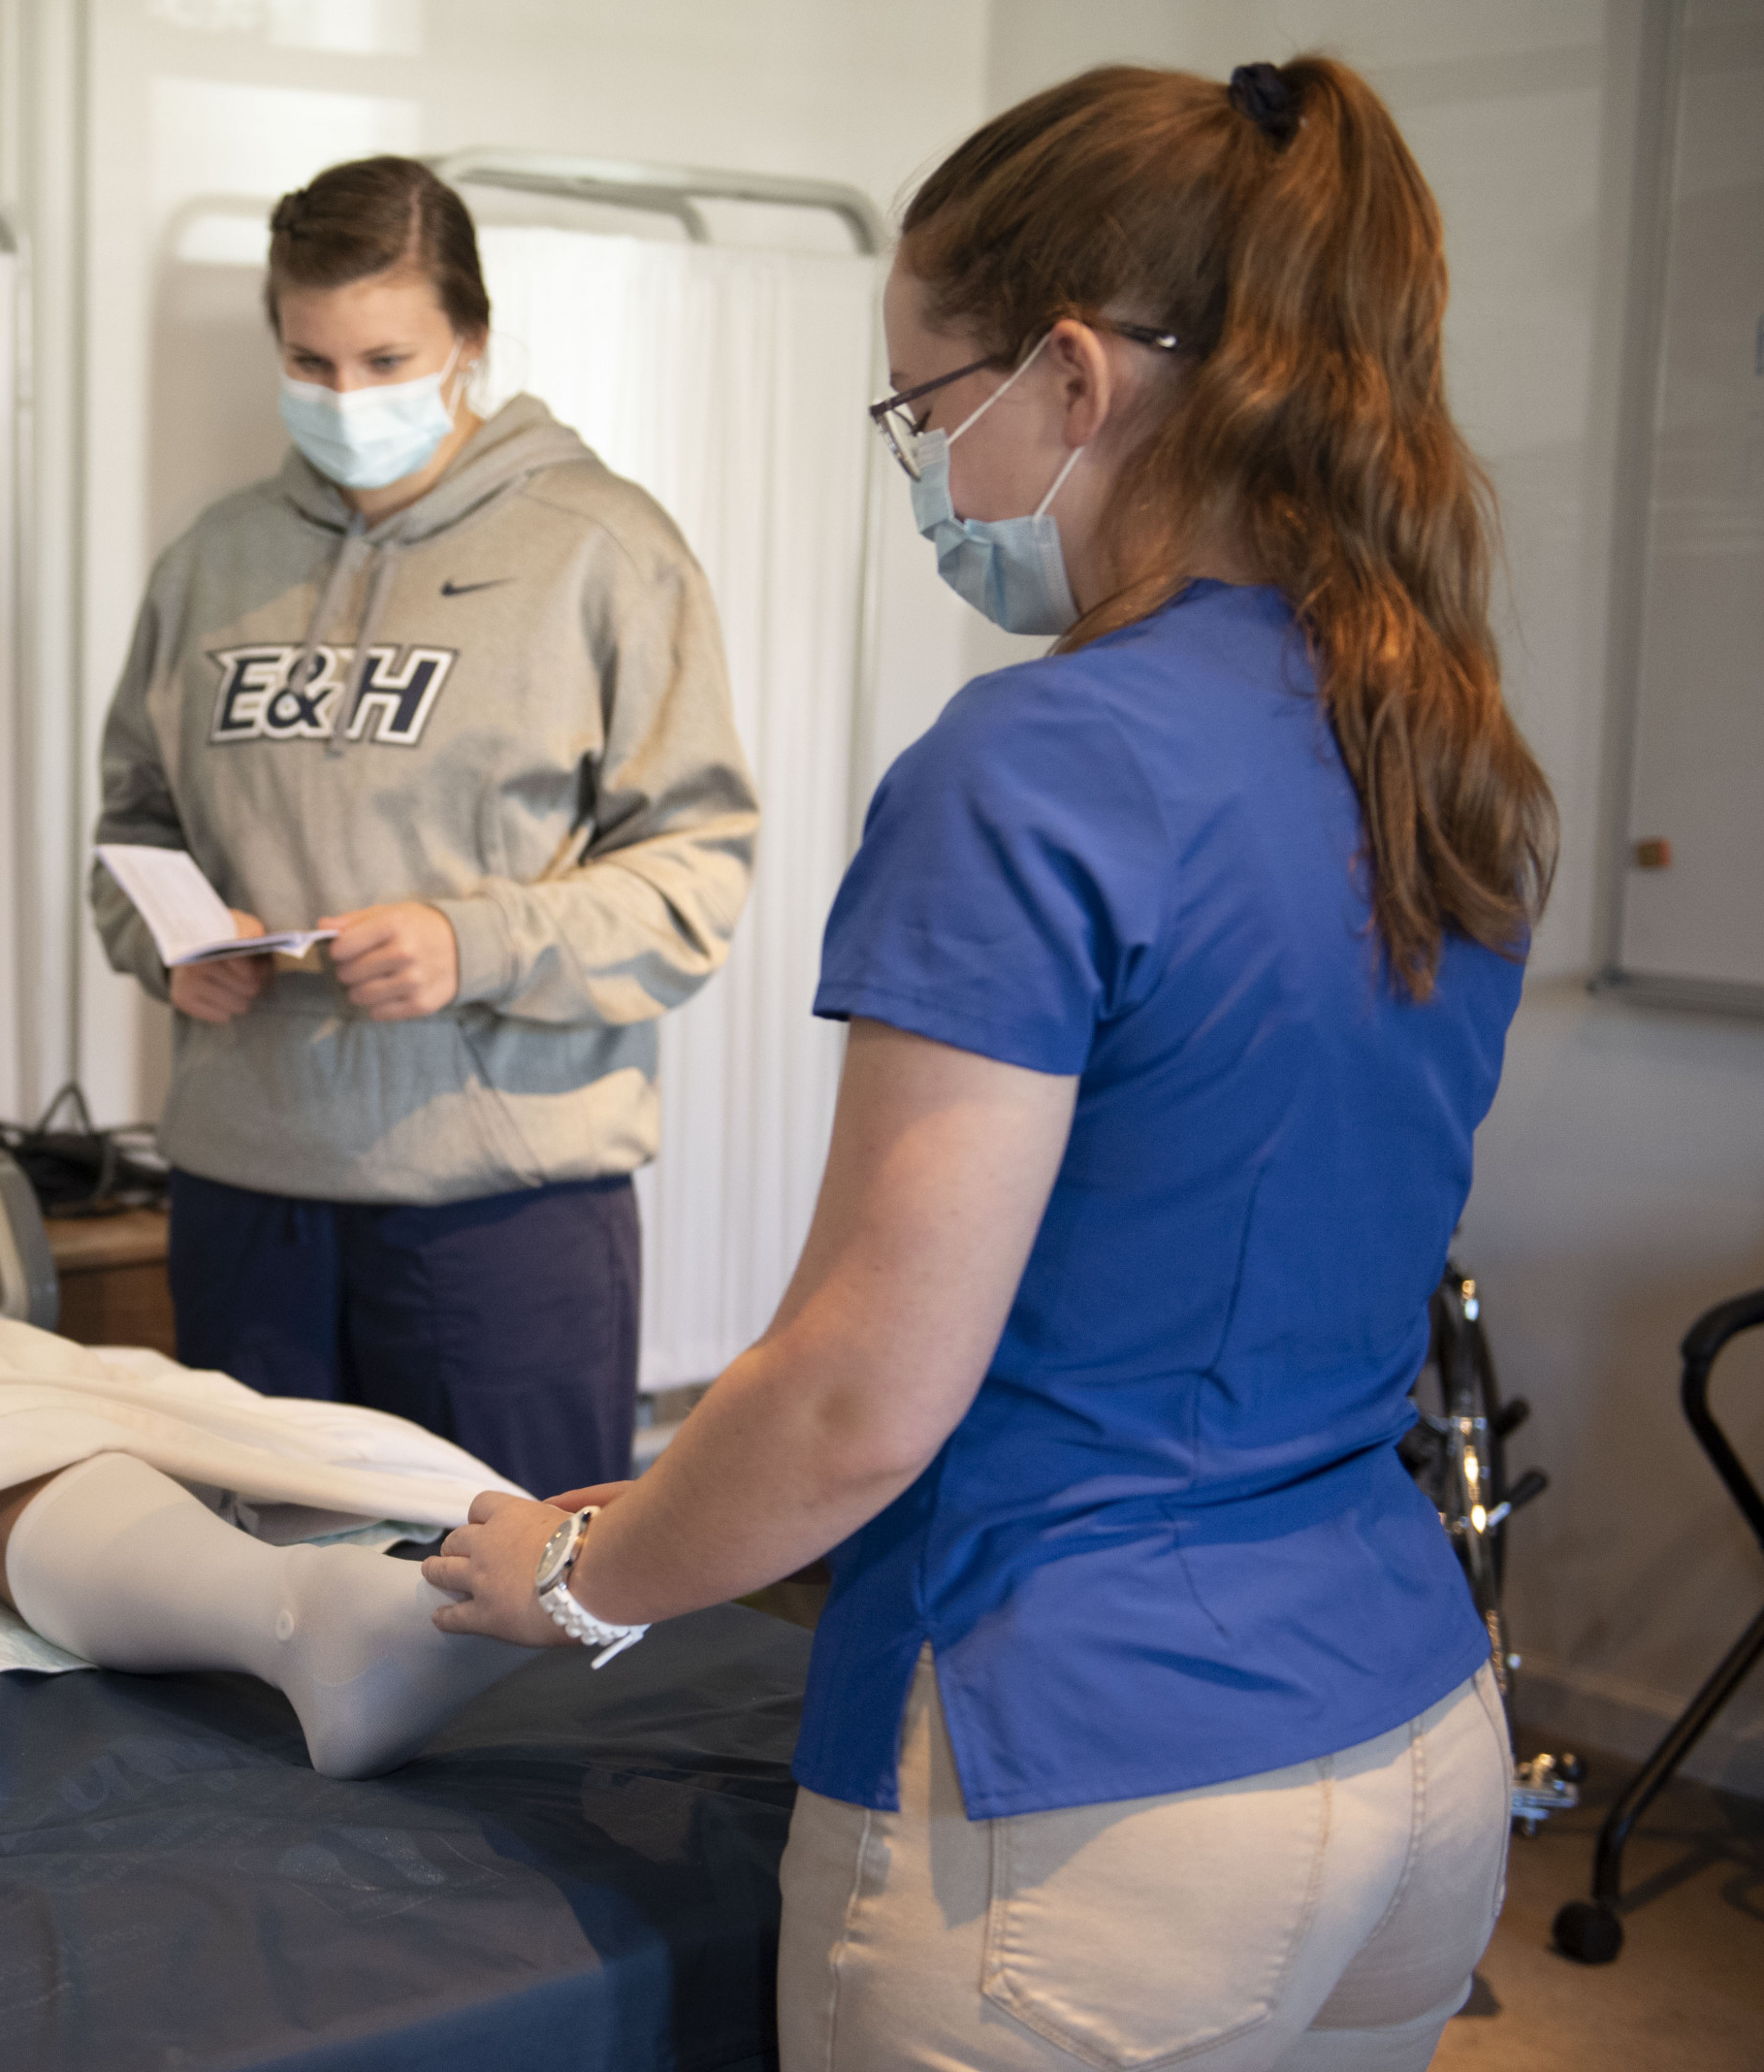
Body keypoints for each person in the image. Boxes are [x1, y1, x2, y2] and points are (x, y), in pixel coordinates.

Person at [426, 56, 1556, 2072]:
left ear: (1069, 376)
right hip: (1404, 1747)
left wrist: (585, 1575)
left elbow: (866, 1394)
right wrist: (689, 1489)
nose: (926, 463)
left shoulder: (1036, 769)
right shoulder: (1426, 738)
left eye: (924, 406)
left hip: (1088, 1802)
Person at [92, 155, 760, 1500]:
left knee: (508, 1645)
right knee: (252, 1613)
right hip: (243, 1189)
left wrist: (480, 943)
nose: (346, 400)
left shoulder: (605, 551)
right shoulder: (213, 559)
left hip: (502, 1212)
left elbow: (695, 878)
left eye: (385, 360)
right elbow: (132, 818)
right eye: (311, 362)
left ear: (472, 343)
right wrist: (165, 938)